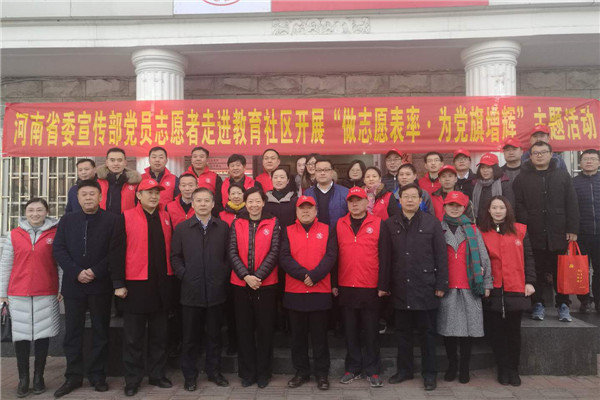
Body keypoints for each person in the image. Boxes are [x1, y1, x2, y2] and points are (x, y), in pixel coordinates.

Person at [109, 179, 175, 396]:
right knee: (133, 337)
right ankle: (132, 379)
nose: (154, 196)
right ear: (139, 195)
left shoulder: (165, 217)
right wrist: (118, 284)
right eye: (149, 192)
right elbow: (116, 253)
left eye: (157, 193)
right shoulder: (125, 217)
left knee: (160, 335)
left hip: (161, 285)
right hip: (135, 285)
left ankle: (157, 374)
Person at [380, 183, 448, 391]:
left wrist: (441, 283)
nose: (409, 200)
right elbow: (385, 258)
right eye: (406, 197)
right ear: (399, 200)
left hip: (425, 285)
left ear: (420, 200)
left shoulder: (432, 223)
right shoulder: (389, 224)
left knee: (427, 333)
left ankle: (430, 374)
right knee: (403, 332)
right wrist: (383, 285)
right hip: (400, 287)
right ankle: (404, 370)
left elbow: (441, 256)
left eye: (413, 197)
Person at [170, 187, 231, 391]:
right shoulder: (182, 228)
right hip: (191, 291)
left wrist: (221, 274)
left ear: (213, 204)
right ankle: (190, 376)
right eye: (199, 200)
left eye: (207, 200)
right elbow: (175, 257)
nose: (203, 204)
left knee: (215, 336)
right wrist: (184, 275)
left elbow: (229, 256)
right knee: (190, 338)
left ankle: (214, 372)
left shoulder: (222, 227)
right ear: (193, 203)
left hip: (216, 290)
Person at [0, 198, 61, 398]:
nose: (35, 214)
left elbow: (60, 264)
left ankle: (38, 377)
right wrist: (2, 293)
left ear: (47, 212)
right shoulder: (14, 234)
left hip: (46, 291)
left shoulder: (56, 233)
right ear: (25, 213)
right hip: (18, 293)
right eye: (31, 210)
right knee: (21, 337)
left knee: (43, 336)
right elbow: (6, 264)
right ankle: (23, 378)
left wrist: (61, 287)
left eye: (39, 210)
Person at [513, 141, 579, 322]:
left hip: (558, 232)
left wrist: (572, 229)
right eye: (536, 153)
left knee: (561, 271)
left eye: (543, 152)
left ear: (551, 154)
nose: (540, 155)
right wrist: (526, 223)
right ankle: (537, 303)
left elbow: (572, 203)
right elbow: (518, 204)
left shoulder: (562, 176)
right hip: (532, 233)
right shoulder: (522, 178)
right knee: (536, 270)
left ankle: (563, 304)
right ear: (530, 156)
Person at [279, 196, 337, 391]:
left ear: (315, 211)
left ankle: (322, 374)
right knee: (298, 337)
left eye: (309, 208)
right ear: (296, 211)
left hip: (319, 290)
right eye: (301, 208)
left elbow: (331, 256)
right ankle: (301, 372)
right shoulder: (287, 230)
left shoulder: (327, 229)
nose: (305, 211)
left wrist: (315, 276)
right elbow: (284, 257)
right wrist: (304, 275)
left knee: (320, 337)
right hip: (295, 291)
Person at [479, 196, 536, 386]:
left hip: (516, 286)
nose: (498, 211)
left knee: (513, 332)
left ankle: (513, 369)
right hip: (493, 288)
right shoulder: (482, 232)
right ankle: (502, 369)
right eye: (494, 207)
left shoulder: (520, 230)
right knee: (497, 333)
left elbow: (528, 257)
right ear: (489, 210)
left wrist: (530, 281)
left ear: (507, 210)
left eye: (501, 207)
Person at [334, 187, 387, 388]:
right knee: (350, 331)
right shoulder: (339, 224)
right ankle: (353, 368)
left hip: (370, 286)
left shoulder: (379, 224)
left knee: (371, 331)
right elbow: (334, 255)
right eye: (351, 201)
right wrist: (334, 283)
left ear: (367, 202)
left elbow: (385, 256)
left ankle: (373, 370)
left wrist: (383, 284)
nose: (355, 204)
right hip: (346, 285)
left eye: (359, 200)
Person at [227, 187, 280, 388]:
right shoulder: (237, 222)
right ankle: (247, 373)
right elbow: (232, 251)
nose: (254, 205)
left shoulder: (273, 222)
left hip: (266, 285)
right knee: (244, 330)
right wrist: (245, 276)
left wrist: (257, 277)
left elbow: (274, 251)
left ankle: (264, 373)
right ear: (245, 203)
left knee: (265, 330)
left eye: (257, 201)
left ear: (263, 202)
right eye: (250, 201)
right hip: (240, 284)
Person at [437, 191, 492, 384]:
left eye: (458, 205)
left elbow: (483, 257)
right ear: (444, 206)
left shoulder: (473, 230)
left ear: (464, 208)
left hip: (469, 286)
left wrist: (487, 283)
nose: (454, 208)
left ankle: (464, 368)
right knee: (448, 331)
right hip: (447, 286)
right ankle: (452, 365)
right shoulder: (438, 228)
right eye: (450, 205)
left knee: (468, 331)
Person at [572, 149, 600, 313]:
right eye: (586, 159)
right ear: (580, 163)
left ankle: (599, 301)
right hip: (581, 234)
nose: (589, 161)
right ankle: (584, 300)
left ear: (598, 162)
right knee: (581, 270)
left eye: (593, 159)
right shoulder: (573, 183)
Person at [304, 158, 349, 227]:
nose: (322, 173)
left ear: (332, 172)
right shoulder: (307, 193)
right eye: (319, 170)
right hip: (315, 232)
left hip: (338, 232)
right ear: (315, 173)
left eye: (326, 170)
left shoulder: (345, 192)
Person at [472, 153, 515, 222]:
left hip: (499, 222)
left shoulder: (504, 183)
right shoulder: (476, 184)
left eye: (488, 167)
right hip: (480, 223)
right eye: (482, 167)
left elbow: (510, 207)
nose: (485, 170)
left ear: (495, 169)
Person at [97, 147, 141, 214]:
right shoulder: (97, 181)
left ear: (125, 162)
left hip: (127, 219)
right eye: (112, 160)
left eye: (120, 160)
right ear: (107, 162)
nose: (116, 164)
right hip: (102, 219)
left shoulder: (135, 182)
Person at [184, 146, 223, 214]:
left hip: (209, 214)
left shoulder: (215, 177)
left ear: (207, 160)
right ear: (191, 160)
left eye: (201, 157)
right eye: (195, 157)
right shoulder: (184, 176)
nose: (198, 159)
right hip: (187, 214)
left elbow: (218, 200)